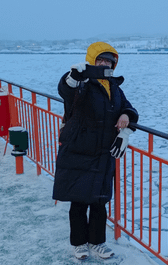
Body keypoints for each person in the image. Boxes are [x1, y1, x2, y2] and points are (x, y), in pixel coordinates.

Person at [52, 42, 139, 260]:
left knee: (100, 202)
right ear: (92, 61)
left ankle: (97, 242)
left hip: (103, 153)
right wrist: (73, 77)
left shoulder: (115, 87)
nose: (104, 64)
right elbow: (66, 90)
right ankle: (79, 243)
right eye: (100, 60)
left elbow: (128, 107)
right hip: (80, 151)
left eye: (108, 61)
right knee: (79, 201)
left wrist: (126, 118)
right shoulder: (81, 82)